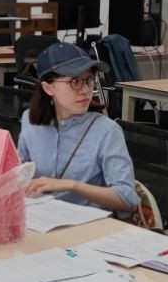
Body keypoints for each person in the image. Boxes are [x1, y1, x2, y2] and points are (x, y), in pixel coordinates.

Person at [16, 43, 136, 213]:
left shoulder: (106, 131)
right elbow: (20, 172)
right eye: (76, 82)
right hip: (39, 216)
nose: (86, 90)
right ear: (48, 88)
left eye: (89, 80)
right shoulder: (30, 120)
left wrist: (72, 185)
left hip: (88, 223)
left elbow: (128, 199)